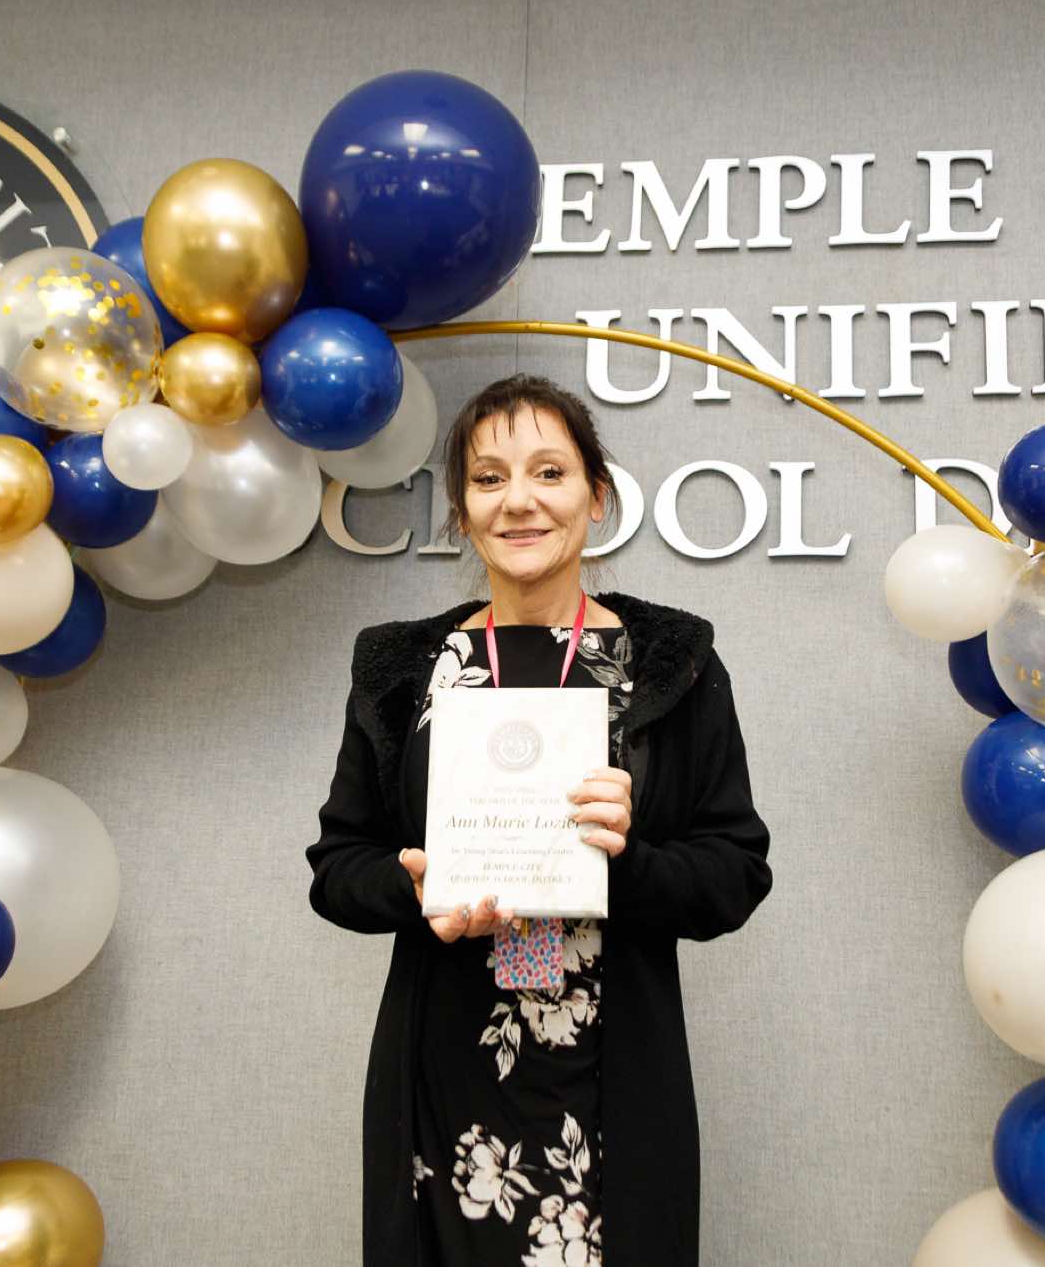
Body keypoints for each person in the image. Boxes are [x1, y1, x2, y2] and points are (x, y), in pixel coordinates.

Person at [306, 373, 774, 1267]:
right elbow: (337, 866)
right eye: (489, 478)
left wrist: (623, 860)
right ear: (462, 511)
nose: (518, 499)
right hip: (442, 1074)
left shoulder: (670, 664)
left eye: (549, 472)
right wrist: (415, 887)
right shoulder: (403, 669)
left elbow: (735, 872)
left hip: (613, 1085)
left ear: (595, 497)